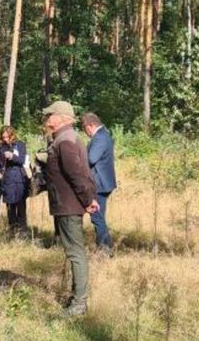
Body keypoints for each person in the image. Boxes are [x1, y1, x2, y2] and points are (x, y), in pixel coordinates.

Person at [42, 101, 99, 316]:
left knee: (75, 253)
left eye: (50, 116)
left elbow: (77, 175)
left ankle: (80, 303)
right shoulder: (66, 138)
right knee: (74, 252)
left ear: (61, 118)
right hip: (68, 203)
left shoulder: (64, 141)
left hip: (68, 205)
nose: (47, 120)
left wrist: (88, 199)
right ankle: (77, 296)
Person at [82, 112, 117, 256]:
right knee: (99, 216)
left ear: (91, 125)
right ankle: (106, 247)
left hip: (100, 184)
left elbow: (91, 159)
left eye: (85, 129)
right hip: (103, 182)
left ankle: (105, 248)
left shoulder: (100, 137)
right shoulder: (103, 135)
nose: (86, 132)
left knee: (97, 217)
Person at [0, 125, 30, 237]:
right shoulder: (0, 147)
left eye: (7, 137)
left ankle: (23, 232)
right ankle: (12, 231)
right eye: (3, 137)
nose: (5, 139)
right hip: (7, 181)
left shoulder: (20, 144)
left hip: (20, 180)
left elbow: (22, 160)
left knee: (21, 207)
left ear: (12, 135)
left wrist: (12, 156)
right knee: (10, 207)